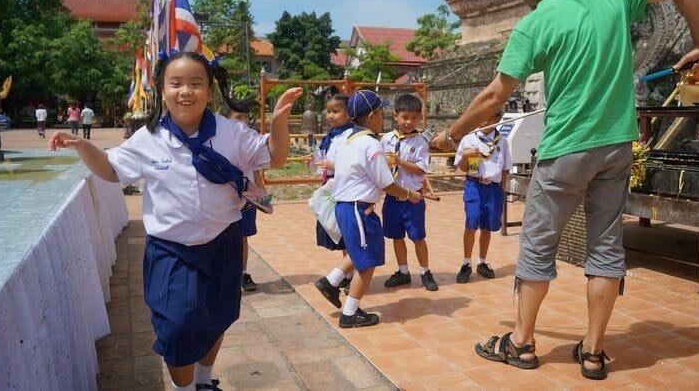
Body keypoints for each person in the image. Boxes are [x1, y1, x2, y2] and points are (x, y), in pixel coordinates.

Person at [431, 0, 699, 380]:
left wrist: (450, 134)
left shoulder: (536, 24)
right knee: (605, 248)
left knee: (538, 248)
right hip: (617, 146)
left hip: (566, 149)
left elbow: (493, 96)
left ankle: (521, 343)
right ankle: (594, 352)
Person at [49, 51, 302, 391]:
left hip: (222, 242)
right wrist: (83, 146)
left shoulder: (231, 133)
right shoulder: (149, 138)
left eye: (196, 83)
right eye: (176, 83)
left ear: (209, 90)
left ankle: (202, 381)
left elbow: (276, 156)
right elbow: (111, 169)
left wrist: (277, 124)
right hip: (171, 250)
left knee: (217, 318)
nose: (186, 91)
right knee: (177, 328)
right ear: (162, 90)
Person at [314, 90, 421, 328]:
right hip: (358, 208)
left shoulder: (346, 140)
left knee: (361, 251)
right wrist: (410, 194)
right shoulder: (370, 144)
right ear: (372, 116)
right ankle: (350, 313)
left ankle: (331, 281)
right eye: (382, 113)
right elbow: (387, 184)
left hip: (347, 206)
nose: (383, 119)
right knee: (368, 260)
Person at [380, 93, 437, 291]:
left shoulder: (420, 142)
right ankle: (403, 271)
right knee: (396, 236)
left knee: (418, 237)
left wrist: (400, 162)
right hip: (393, 196)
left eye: (414, 118)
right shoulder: (386, 139)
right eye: (405, 117)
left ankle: (425, 271)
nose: (409, 122)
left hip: (413, 198)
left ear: (419, 117)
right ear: (396, 116)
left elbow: (421, 169)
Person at [453, 109, 511, 284]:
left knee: (488, 225)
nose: (483, 121)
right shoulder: (469, 139)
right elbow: (462, 168)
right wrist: (466, 156)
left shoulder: (502, 141)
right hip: (474, 185)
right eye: (480, 117)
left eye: (488, 117)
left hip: (493, 188)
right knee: (471, 222)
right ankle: (466, 263)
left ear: (497, 118)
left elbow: (506, 168)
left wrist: (502, 190)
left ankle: (482, 262)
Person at [311, 94, 355, 291]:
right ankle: (349, 272)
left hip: (346, 189)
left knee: (348, 234)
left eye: (335, 111)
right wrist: (318, 164)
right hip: (332, 187)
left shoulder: (351, 136)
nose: (330, 116)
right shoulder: (332, 136)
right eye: (328, 111)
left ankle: (351, 273)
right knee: (340, 233)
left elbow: (354, 165)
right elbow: (326, 161)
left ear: (349, 113)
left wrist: (332, 165)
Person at [225, 97, 268, 292]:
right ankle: (224, 274)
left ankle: (242, 273)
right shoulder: (219, 139)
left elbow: (257, 169)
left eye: (246, 117)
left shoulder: (251, 139)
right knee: (223, 237)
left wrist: (263, 195)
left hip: (248, 197)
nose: (243, 121)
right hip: (225, 198)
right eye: (237, 117)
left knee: (243, 237)